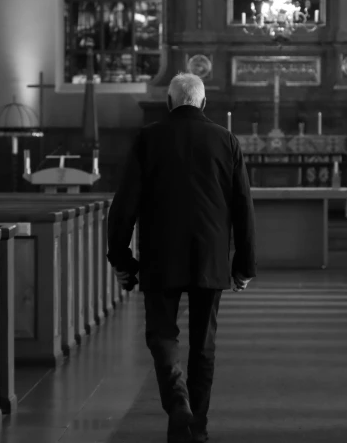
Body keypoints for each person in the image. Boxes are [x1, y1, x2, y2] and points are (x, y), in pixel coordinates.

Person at [107, 72, 256, 443]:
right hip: (210, 255)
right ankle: (198, 426)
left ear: (169, 103)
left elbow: (124, 205)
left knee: (162, 335)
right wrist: (244, 266)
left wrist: (121, 260)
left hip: (160, 254)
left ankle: (178, 406)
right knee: (204, 343)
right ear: (204, 103)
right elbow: (243, 208)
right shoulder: (226, 140)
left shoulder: (148, 138)